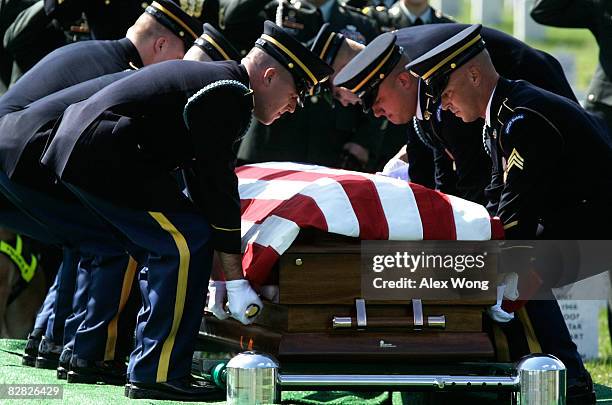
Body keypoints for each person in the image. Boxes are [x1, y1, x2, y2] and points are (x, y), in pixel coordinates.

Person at [41, 21, 332, 401]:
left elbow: (201, 184)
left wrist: (226, 276)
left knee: (178, 234)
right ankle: (157, 372)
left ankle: (105, 356)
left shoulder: (222, 85)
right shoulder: (230, 92)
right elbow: (217, 184)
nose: (292, 108)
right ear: (270, 75)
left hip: (92, 149)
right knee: (183, 242)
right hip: (103, 152)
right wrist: (235, 279)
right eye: (294, 95)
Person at [0, 22, 240, 385]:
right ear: (162, 44)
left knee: (87, 239)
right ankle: (94, 353)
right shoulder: (126, 70)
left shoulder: (102, 54)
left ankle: (55, 342)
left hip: (19, 152)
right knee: (115, 239)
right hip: (24, 155)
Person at [406, 24, 612, 404]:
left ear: (473, 74)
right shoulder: (502, 114)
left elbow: (517, 213)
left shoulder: (522, 117)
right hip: (581, 223)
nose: (444, 105)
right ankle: (511, 367)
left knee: (522, 270)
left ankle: (569, 380)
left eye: (447, 93)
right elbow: (499, 195)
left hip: (598, 230)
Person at [334, 23, 577, 204]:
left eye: (375, 100)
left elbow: (476, 183)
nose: (375, 113)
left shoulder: (451, 100)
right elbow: (430, 168)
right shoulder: (419, 97)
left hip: (536, 95)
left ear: (403, 82)